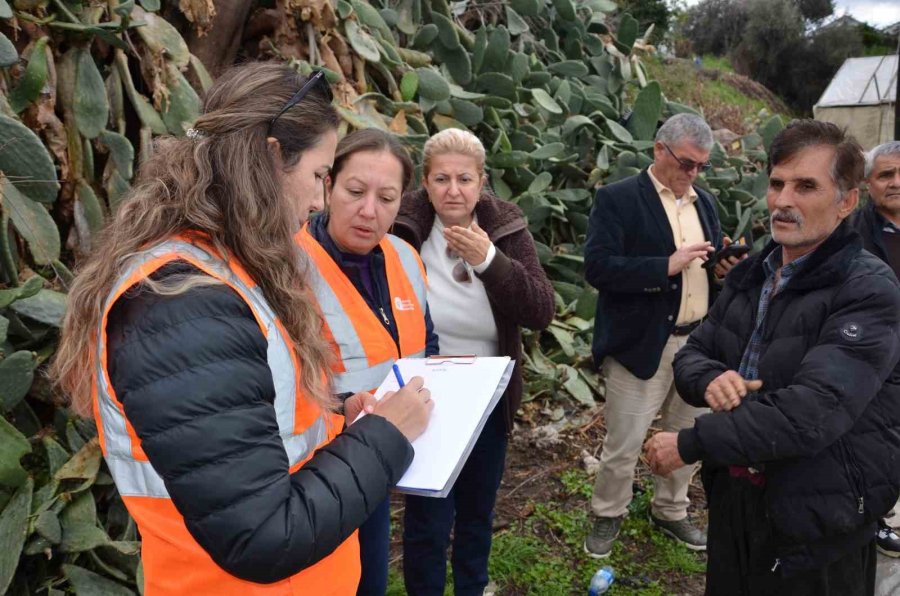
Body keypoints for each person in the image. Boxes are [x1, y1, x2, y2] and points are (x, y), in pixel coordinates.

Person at [51, 63, 434, 596]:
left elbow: (254, 429)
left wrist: (337, 416)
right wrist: (386, 435)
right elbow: (262, 536)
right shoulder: (183, 302)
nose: (321, 201)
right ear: (274, 157)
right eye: (322, 175)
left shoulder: (222, 272)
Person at [649, 119, 900, 595]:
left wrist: (691, 443)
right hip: (739, 498)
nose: (783, 200)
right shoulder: (757, 272)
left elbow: (812, 413)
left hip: (821, 513)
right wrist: (711, 381)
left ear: (847, 201)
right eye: (777, 183)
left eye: (806, 186)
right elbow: (696, 352)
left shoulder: (868, 289)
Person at [392, 128, 554, 595]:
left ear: (482, 182)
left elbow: (541, 309)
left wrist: (489, 261)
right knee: (427, 517)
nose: (453, 190)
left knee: (476, 512)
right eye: (441, 179)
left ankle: (471, 587)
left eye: (465, 178)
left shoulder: (505, 227)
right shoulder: (404, 227)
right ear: (425, 183)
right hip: (424, 396)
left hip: (487, 396)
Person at [293, 128, 439, 596]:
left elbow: (426, 346)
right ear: (327, 185)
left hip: (395, 448)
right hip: (321, 468)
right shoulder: (285, 264)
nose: (369, 211)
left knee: (371, 574)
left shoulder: (405, 256)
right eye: (355, 192)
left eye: (387, 197)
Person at [582, 113, 728, 558]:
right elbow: (598, 267)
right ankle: (607, 513)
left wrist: (724, 269)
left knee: (686, 435)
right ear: (659, 150)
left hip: (698, 343)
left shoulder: (705, 203)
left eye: (701, 166)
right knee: (624, 441)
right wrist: (665, 265)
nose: (692, 174)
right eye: (686, 163)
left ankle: (671, 511)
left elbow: (710, 269)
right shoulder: (618, 199)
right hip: (640, 343)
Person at [849, 140, 900, 557]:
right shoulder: (850, 233)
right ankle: (873, 520)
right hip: (871, 361)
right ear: (867, 184)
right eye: (886, 175)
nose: (896, 183)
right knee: (872, 443)